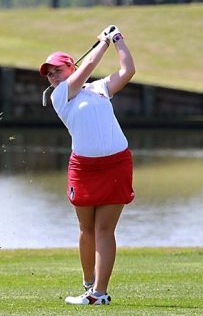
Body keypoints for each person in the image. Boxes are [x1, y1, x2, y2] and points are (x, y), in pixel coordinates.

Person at [39, 25, 135, 305]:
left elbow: (128, 71)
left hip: (117, 164)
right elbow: (90, 63)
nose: (53, 76)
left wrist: (117, 39)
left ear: (71, 66)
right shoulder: (60, 96)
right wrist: (103, 43)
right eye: (49, 74)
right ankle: (88, 282)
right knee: (87, 229)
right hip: (84, 168)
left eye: (57, 70)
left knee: (105, 229)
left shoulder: (100, 88)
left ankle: (99, 294)